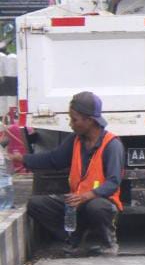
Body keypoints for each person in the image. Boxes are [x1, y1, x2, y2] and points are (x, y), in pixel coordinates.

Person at [13, 92, 124, 256]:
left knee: (97, 207)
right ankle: (74, 237)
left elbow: (113, 182)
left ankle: (108, 242)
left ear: (90, 120)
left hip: (100, 203)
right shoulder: (76, 140)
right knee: (36, 204)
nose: (71, 124)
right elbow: (54, 160)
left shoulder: (112, 145)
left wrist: (86, 196)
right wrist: (23, 159)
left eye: (74, 119)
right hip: (77, 203)